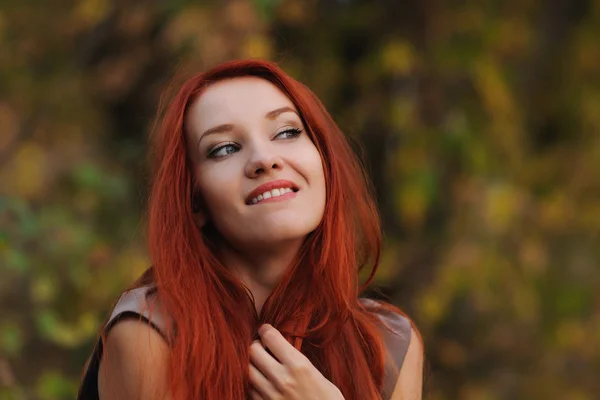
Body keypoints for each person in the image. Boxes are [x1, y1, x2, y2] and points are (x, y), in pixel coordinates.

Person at [77, 59, 424, 400]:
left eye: (287, 132)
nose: (264, 159)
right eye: (225, 148)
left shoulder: (389, 343)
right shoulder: (149, 333)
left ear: (324, 163)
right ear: (194, 201)